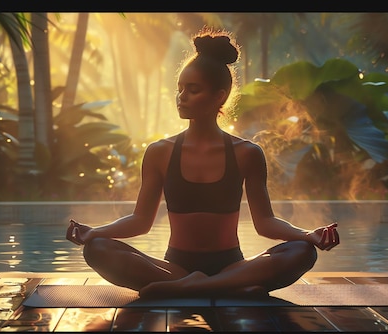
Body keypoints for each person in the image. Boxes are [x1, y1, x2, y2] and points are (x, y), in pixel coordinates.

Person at [66, 28, 340, 299]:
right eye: (180, 89)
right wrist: (95, 232)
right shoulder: (160, 152)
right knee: (97, 248)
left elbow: (265, 223)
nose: (181, 97)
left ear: (219, 96)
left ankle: (193, 287)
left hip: (232, 265)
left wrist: (308, 235)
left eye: (193, 90)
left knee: (302, 252)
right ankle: (226, 286)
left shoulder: (246, 153)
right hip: (174, 268)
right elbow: (141, 221)